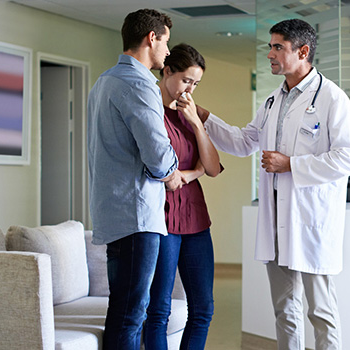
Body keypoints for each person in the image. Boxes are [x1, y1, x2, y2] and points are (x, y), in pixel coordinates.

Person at [198, 19, 350, 350]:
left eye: (277, 47)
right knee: (284, 310)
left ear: (302, 52)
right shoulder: (273, 100)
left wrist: (291, 165)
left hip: (311, 222)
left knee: (321, 311)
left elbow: (348, 158)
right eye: (269, 46)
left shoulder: (332, 98)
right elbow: (244, 142)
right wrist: (203, 116)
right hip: (276, 222)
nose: (270, 53)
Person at [87, 9, 184, 350]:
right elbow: (158, 156)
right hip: (137, 217)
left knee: (124, 310)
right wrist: (171, 175)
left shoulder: (104, 82)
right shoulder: (139, 85)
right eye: (166, 42)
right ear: (151, 38)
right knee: (131, 316)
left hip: (114, 213)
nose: (168, 52)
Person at [143, 43, 222, 350]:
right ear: (167, 72)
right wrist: (192, 171)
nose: (189, 89)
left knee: (203, 309)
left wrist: (196, 125)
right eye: (186, 80)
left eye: (196, 83)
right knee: (159, 309)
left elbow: (212, 168)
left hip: (196, 219)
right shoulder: (150, 114)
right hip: (161, 220)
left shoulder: (191, 114)